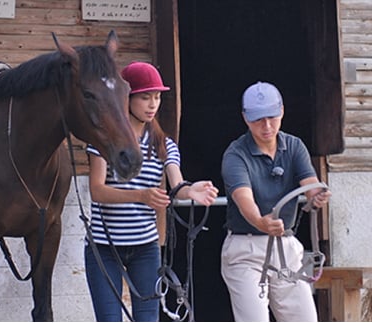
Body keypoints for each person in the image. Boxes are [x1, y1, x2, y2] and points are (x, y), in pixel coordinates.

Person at [84, 61, 219, 322]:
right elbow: (97, 191)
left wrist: (192, 191)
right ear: (127, 98)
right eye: (145, 97)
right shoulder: (103, 139)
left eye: (157, 97)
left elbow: (176, 185)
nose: (153, 104)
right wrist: (140, 195)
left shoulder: (164, 143)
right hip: (103, 246)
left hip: (145, 246)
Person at [220, 81, 332, 322]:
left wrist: (316, 196)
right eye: (258, 119)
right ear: (245, 118)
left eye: (271, 116)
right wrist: (260, 221)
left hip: (285, 246)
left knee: (304, 318)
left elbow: (309, 182)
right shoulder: (235, 154)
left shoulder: (294, 146)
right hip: (246, 248)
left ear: (282, 111)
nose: (266, 125)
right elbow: (243, 199)